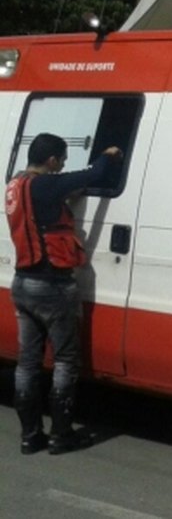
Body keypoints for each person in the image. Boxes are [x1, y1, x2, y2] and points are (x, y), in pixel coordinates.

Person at [6, 133, 123, 455]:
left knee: (27, 363)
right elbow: (95, 174)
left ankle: (30, 436)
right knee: (65, 360)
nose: (63, 166)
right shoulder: (46, 185)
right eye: (62, 161)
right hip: (53, 286)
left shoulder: (15, 186)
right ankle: (61, 434)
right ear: (52, 160)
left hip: (22, 283)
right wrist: (110, 153)